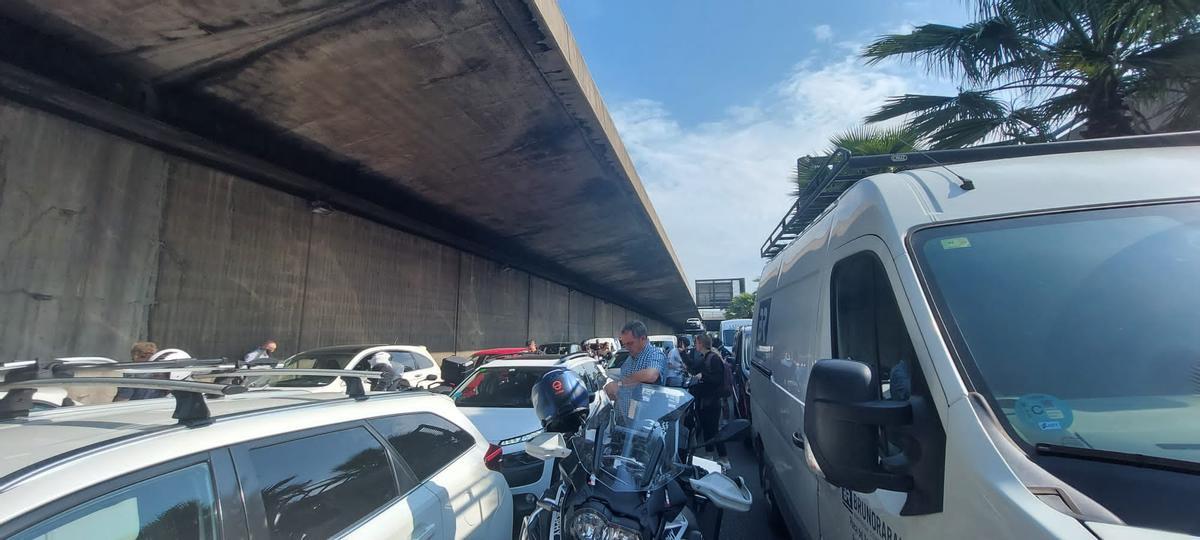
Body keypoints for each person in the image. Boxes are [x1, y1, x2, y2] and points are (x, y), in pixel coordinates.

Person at [688, 334, 728, 463]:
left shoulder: (713, 358)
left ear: (701, 343)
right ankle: (710, 454)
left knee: (713, 430)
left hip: (712, 400)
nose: (695, 345)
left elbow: (717, 379)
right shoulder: (706, 357)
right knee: (707, 428)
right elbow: (693, 367)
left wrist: (702, 377)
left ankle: (723, 458)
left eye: (696, 343)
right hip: (705, 400)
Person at [604, 321, 667, 400]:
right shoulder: (630, 359)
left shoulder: (655, 354)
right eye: (624, 344)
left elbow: (651, 375)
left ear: (643, 338)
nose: (626, 348)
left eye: (630, 343)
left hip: (644, 411)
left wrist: (619, 384)